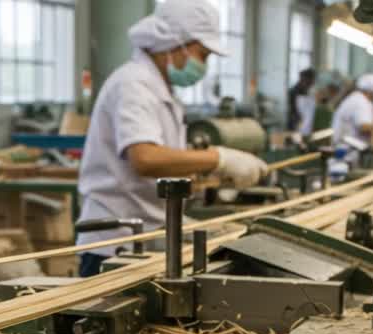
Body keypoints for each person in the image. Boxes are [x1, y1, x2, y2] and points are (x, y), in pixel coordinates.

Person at [74, 0, 269, 277]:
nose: (203, 65)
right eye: (203, 55)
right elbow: (145, 158)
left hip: (145, 231)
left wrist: (207, 174)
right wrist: (219, 159)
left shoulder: (159, 88)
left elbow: (163, 160)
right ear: (175, 44)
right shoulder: (133, 84)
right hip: (114, 244)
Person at [331, 73, 373, 162]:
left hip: (345, 151)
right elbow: (364, 127)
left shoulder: (356, 99)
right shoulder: (361, 102)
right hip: (347, 153)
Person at [287, 68, 317, 136]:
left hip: (305, 126)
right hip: (296, 126)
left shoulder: (307, 91)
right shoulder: (294, 92)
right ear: (304, 79)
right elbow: (294, 111)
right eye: (311, 81)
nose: (313, 83)